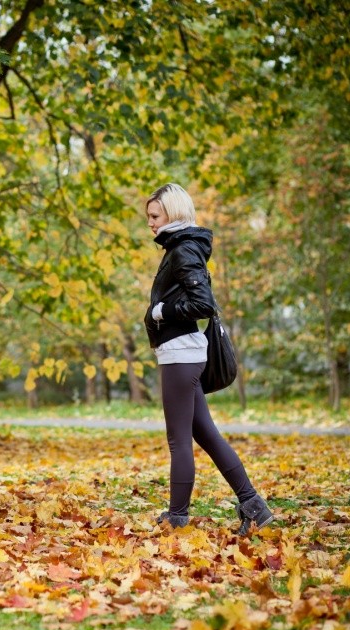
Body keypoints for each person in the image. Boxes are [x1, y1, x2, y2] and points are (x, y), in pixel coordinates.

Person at [142, 183, 273, 535]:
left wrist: (160, 311)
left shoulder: (183, 249)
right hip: (183, 353)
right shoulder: (182, 247)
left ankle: (177, 517)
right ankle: (254, 506)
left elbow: (203, 304)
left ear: (172, 212)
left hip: (181, 356)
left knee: (179, 441)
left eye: (154, 216)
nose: (150, 224)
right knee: (207, 435)